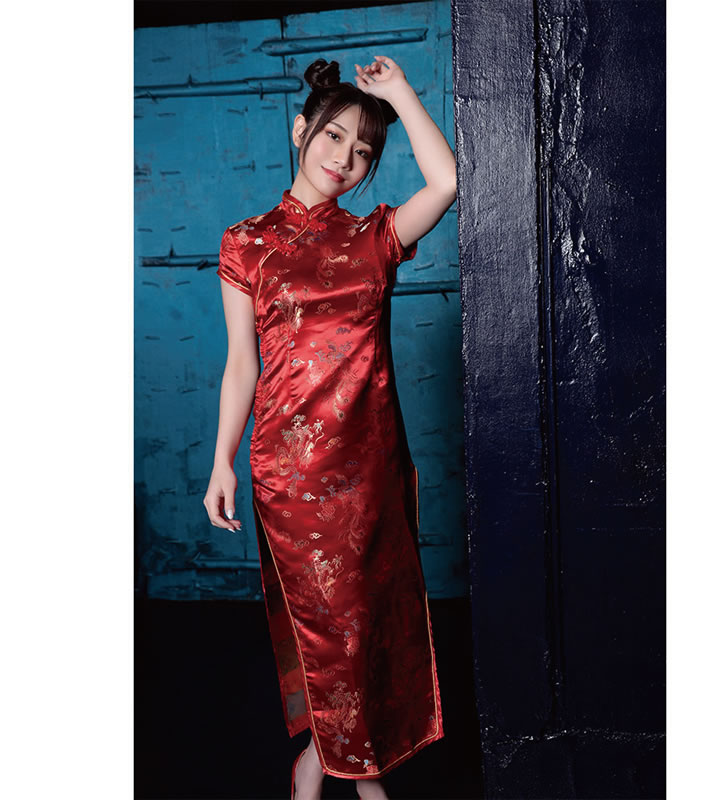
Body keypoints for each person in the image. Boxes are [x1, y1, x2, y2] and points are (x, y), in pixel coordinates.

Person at [203, 54, 456, 800]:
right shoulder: (246, 242)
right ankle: (364, 779)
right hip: (291, 474)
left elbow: (445, 182)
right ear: (300, 130)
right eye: (334, 136)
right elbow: (241, 365)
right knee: (327, 627)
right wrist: (221, 461)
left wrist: (399, 92)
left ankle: (319, 761)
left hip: (370, 469)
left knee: (365, 624)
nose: (345, 157)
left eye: (364, 151)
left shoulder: (376, 236)